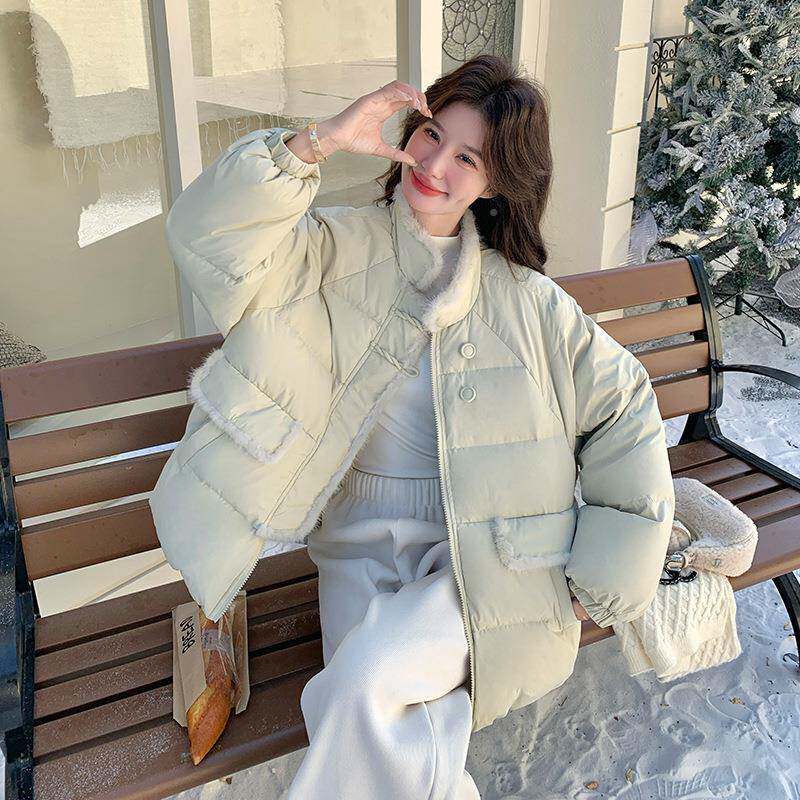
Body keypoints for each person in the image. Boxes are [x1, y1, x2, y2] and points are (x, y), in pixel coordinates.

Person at [150, 54, 675, 800]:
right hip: (356, 544)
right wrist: (317, 143)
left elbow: (625, 407)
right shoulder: (327, 252)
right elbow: (208, 238)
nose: (435, 165)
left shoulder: (531, 305)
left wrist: (605, 579)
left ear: (497, 184)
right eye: (432, 135)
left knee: (363, 684)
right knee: (391, 725)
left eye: (468, 158)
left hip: (490, 555)